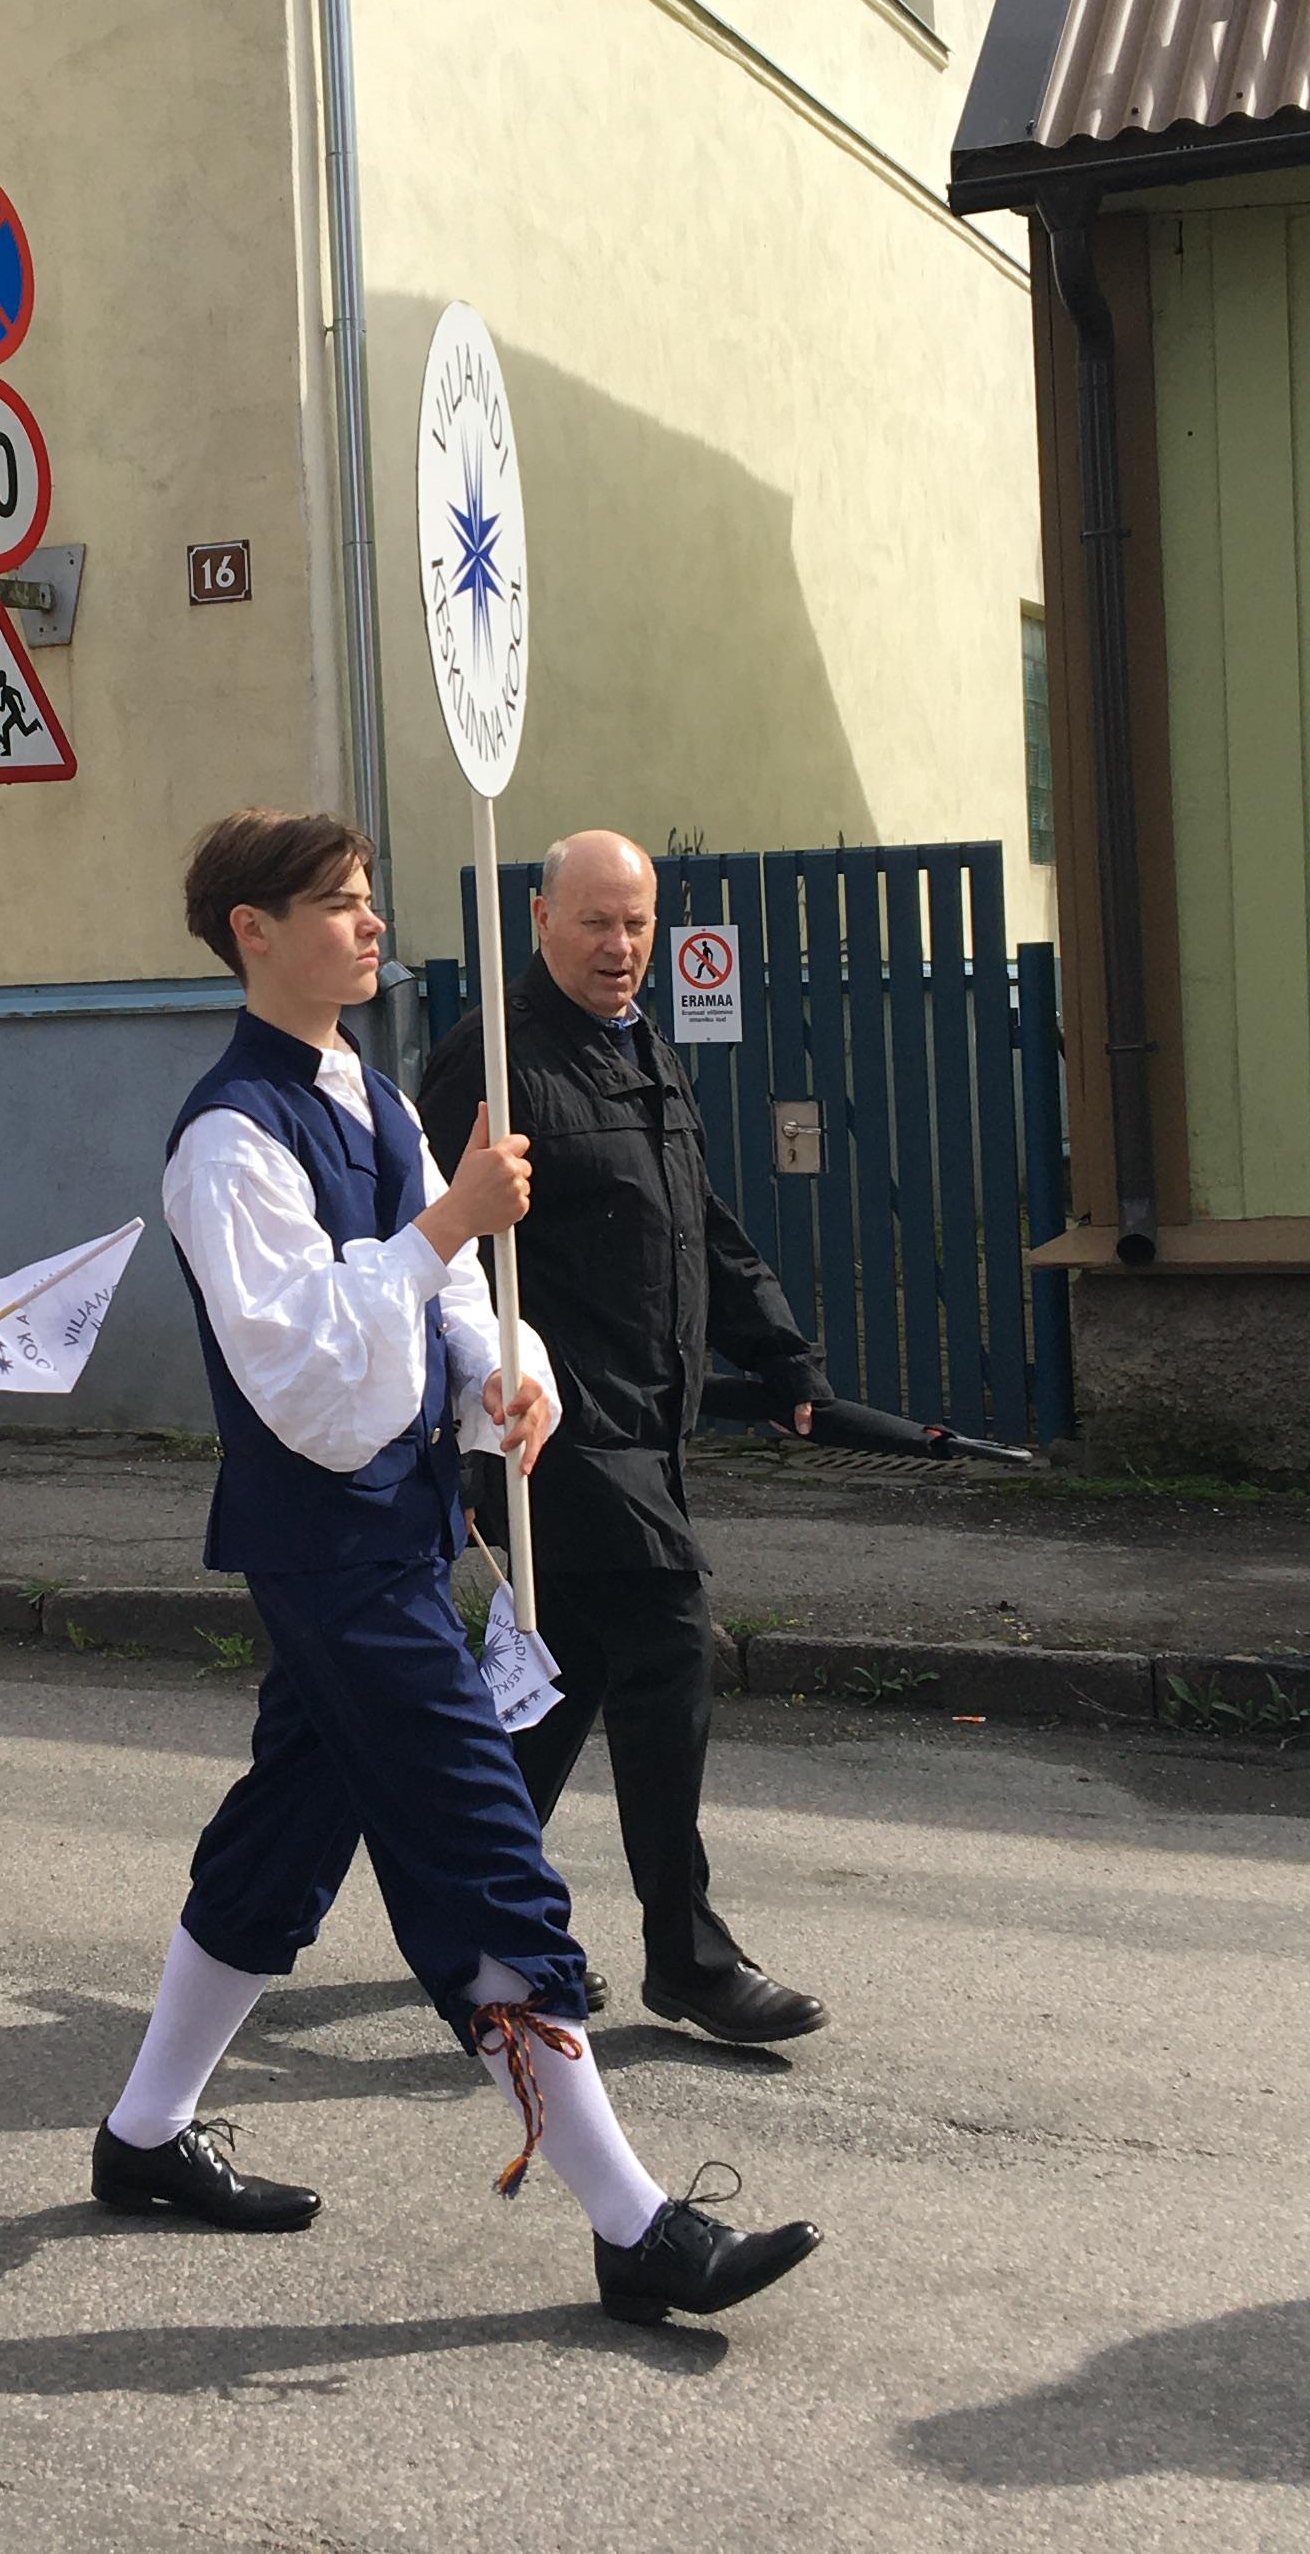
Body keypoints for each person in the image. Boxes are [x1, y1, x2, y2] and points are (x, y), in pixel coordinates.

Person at [89, 809, 823, 2330]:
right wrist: (443, 1231)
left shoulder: (367, 1094)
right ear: (252, 933)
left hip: (402, 1529)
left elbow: (459, 1297)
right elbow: (300, 1373)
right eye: (338, 905)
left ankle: (145, 2132)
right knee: (484, 1849)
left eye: (369, 900)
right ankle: (632, 2222)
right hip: (331, 1551)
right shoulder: (228, 1137)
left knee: (285, 1837)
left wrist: (507, 1371)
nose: (371, 925)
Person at [418, 829, 833, 2047]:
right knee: (666, 1643)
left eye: (637, 923)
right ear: (541, 918)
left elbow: (694, 1219)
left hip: (651, 1425)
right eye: (596, 921)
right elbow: (437, 1244)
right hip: (556, 1430)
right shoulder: (493, 1059)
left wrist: (779, 1354)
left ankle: (476, 1916)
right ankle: (686, 1955)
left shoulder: (639, 1045)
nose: (620, 946)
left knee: (566, 1678)